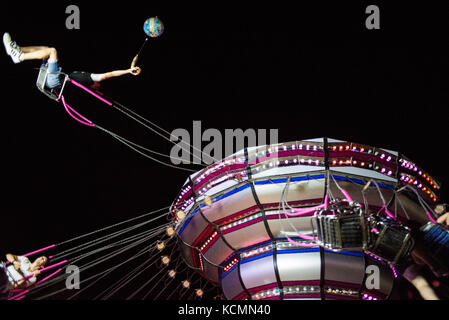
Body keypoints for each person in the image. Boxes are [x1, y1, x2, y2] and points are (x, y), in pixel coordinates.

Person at [3, 32, 141, 91]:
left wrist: (128, 71)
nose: (98, 85)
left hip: (55, 81)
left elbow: (109, 74)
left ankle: (19, 56)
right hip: (55, 79)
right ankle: (18, 49)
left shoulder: (90, 80)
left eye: (98, 87)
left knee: (52, 51)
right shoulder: (84, 78)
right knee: (47, 49)